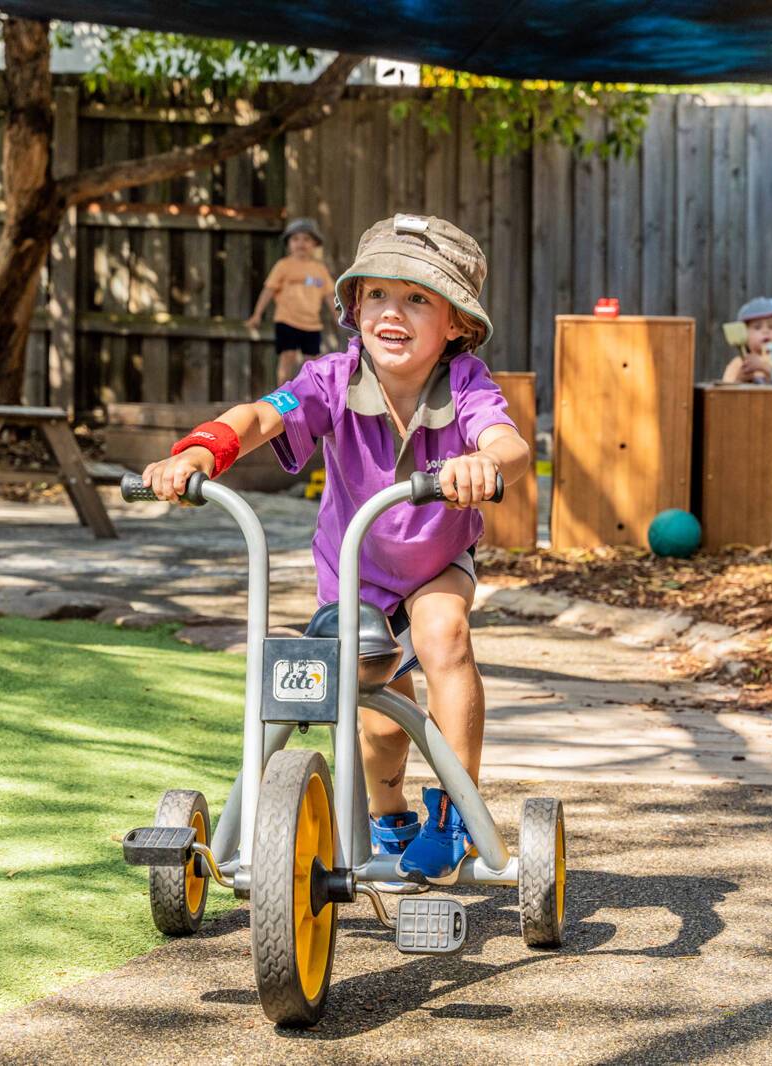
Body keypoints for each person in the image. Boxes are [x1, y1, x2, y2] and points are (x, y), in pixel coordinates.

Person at [142, 214, 530, 882]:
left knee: (444, 634)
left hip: (436, 563)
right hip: (354, 574)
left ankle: (454, 813)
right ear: (354, 307)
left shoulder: (465, 383)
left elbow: (509, 443)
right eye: (376, 294)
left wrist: (485, 464)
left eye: (417, 298)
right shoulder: (332, 378)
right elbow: (261, 415)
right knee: (381, 723)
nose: (391, 312)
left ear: (456, 323)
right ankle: (390, 815)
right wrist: (204, 449)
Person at [246, 217, 337, 387]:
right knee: (287, 356)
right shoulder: (283, 265)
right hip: (287, 320)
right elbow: (268, 290)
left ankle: (311, 395)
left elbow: (329, 296)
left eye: (306, 239)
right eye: (295, 239)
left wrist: (338, 316)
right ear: (288, 244)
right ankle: (282, 394)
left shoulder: (320, 269)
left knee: (313, 361)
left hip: (312, 324)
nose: (301, 243)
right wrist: (257, 314)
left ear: (315, 243)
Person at [722, 296, 772, 384]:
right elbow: (725, 390)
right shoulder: (738, 364)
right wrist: (739, 379)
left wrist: (764, 367)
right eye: (757, 327)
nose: (765, 331)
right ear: (744, 333)